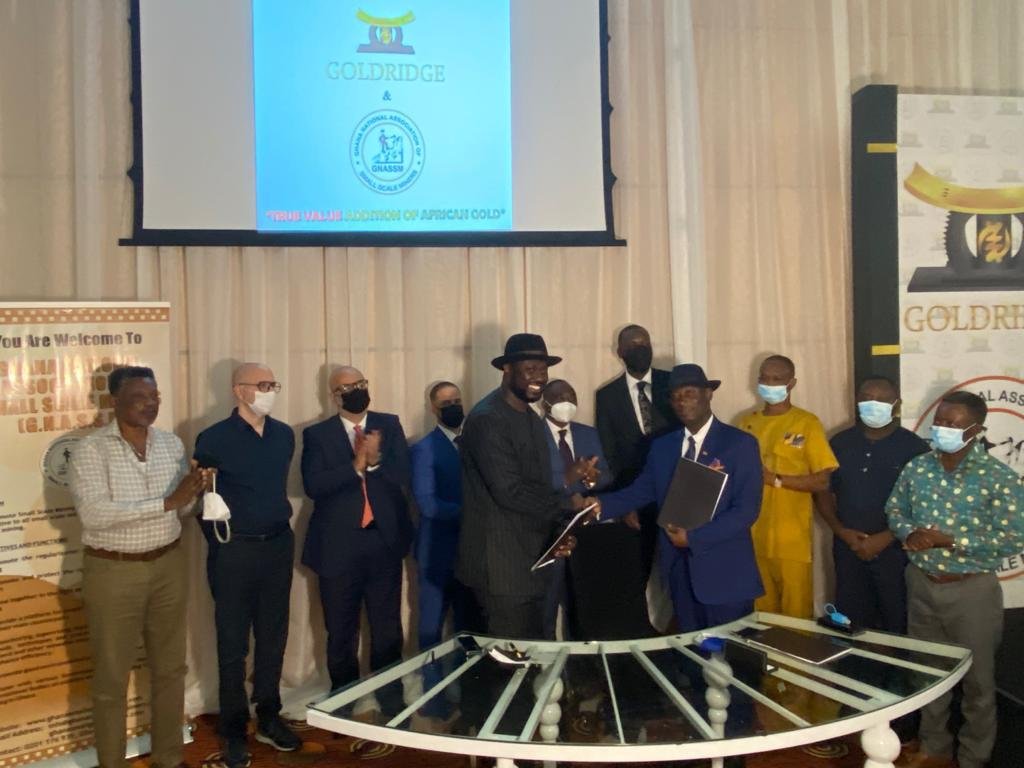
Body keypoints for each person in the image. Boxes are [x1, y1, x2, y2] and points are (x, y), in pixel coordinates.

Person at [68, 366, 209, 768]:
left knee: (171, 670)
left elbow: (181, 510)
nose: (150, 404)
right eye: (140, 398)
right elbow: (95, 515)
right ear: (115, 401)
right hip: (114, 572)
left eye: (155, 397)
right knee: (112, 677)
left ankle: (169, 758)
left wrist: (196, 492)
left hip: (168, 565)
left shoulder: (170, 444)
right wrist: (167, 502)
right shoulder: (91, 450)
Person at [887, 391, 1024, 768]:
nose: (942, 428)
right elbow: (895, 509)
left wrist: (949, 540)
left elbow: (1014, 537)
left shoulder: (998, 477)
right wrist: (909, 533)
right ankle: (934, 749)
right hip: (921, 582)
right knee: (927, 674)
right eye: (940, 421)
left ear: (976, 430)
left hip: (971, 591)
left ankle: (973, 757)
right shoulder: (918, 467)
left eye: (953, 423)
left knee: (978, 683)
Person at [594, 364, 764, 631]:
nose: (682, 401)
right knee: (690, 650)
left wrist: (694, 538)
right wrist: (598, 506)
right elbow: (641, 491)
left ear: (708, 394)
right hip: (680, 573)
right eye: (675, 396)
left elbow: (746, 511)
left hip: (727, 574)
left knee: (731, 652)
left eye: (689, 393)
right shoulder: (663, 447)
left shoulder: (739, 444)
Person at [192, 363, 301, 767]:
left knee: (273, 634)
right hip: (234, 550)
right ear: (239, 391)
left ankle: (269, 715)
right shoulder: (213, 438)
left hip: (277, 545)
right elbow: (203, 499)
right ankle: (234, 727)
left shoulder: (283, 434)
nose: (270, 391)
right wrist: (223, 543)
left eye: (273, 384)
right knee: (232, 641)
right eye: (262, 385)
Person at [456, 333, 593, 639]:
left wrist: (560, 533)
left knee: (536, 653)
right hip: (500, 570)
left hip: (533, 562)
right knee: (509, 660)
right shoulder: (487, 419)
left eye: (543, 370)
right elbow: (510, 492)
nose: (539, 378)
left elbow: (540, 488)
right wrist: (568, 504)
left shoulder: (531, 418)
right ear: (507, 369)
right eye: (530, 369)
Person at [301, 366, 413, 692]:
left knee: (387, 627)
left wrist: (375, 462)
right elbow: (313, 486)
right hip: (338, 548)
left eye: (361, 383)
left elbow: (404, 474)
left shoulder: (388, 424)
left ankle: (390, 700)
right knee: (341, 630)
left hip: (383, 542)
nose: (356, 391)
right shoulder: (317, 435)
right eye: (347, 388)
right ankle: (344, 702)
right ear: (334, 397)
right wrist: (355, 467)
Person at [814, 375, 928, 633]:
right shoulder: (839, 443)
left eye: (882, 399)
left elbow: (924, 504)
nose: (873, 404)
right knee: (850, 623)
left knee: (897, 621)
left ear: (896, 404)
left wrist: (886, 537)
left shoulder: (915, 448)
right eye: (867, 398)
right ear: (856, 401)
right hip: (848, 548)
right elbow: (822, 491)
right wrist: (841, 531)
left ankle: (897, 662)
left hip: (897, 552)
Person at [738, 354, 838, 619]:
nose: (770, 384)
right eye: (765, 378)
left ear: (791, 383)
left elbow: (822, 480)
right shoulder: (746, 423)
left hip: (791, 540)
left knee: (796, 619)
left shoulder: (806, 423)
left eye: (777, 379)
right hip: (752, 537)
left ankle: (795, 651)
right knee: (760, 617)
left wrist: (776, 479)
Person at [595, 324, 680, 581]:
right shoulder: (607, 396)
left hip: (676, 492)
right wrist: (623, 504)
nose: (640, 349)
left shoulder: (673, 383)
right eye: (633, 345)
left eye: (645, 344)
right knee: (635, 572)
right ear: (620, 352)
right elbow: (610, 454)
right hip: (635, 497)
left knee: (680, 571)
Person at [410, 381, 482, 651]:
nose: (453, 407)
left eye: (457, 402)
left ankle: (468, 677)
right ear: (433, 408)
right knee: (432, 626)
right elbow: (427, 503)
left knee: (470, 625)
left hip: (472, 551)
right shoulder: (424, 448)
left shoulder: (477, 443)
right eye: (446, 404)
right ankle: (431, 679)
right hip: (437, 553)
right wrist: (471, 514)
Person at [539, 379, 607, 639]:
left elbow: (605, 476)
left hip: (585, 531)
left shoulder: (589, 434)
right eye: (559, 398)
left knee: (583, 608)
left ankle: (582, 662)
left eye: (571, 397)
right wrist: (570, 481)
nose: (566, 403)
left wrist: (592, 479)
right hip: (548, 533)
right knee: (546, 610)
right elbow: (533, 483)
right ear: (545, 403)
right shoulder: (532, 435)